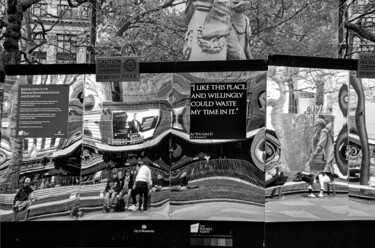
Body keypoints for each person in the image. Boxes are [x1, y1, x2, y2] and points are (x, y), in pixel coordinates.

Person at [304, 118, 337, 197]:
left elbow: (320, 146)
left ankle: (321, 191)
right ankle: (322, 191)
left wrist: (313, 155)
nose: (316, 128)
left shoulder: (324, 131)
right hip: (330, 156)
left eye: (317, 126)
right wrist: (314, 138)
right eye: (315, 126)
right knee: (323, 172)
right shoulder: (323, 132)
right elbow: (315, 146)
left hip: (329, 156)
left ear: (322, 126)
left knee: (323, 172)